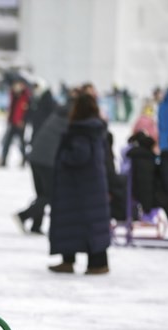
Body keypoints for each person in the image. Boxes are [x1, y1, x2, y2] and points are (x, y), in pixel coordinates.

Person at [48, 92, 111, 275]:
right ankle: (93, 262)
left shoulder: (80, 131)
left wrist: (63, 157)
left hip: (78, 188)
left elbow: (80, 156)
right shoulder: (96, 130)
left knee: (75, 223)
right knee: (90, 224)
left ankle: (82, 262)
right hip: (92, 186)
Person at [15, 101, 68, 235]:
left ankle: (36, 226)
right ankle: (23, 215)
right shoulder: (69, 121)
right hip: (46, 160)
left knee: (41, 194)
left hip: (35, 158)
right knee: (49, 195)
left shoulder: (57, 115)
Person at [0, 79, 30, 167]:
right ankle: (4, 159)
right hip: (12, 122)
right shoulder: (13, 95)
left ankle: (24, 159)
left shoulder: (26, 96)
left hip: (20, 123)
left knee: (21, 143)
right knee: (7, 142)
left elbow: (26, 111)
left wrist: (23, 120)